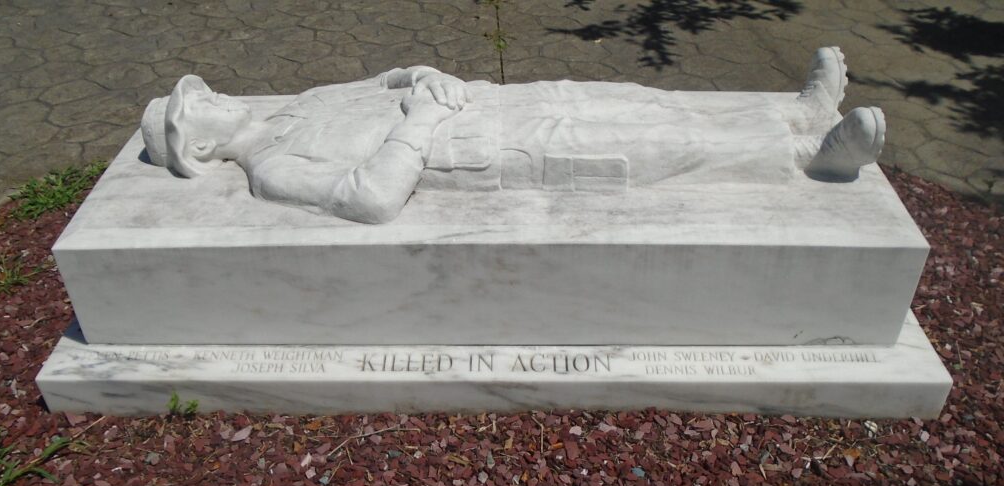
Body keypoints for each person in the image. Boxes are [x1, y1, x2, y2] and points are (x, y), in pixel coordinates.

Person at [141, 47, 885, 224]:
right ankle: (806, 156)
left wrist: (421, 74)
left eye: (201, 90)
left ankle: (797, 110)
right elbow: (368, 199)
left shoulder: (300, 106)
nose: (213, 95)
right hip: (501, 157)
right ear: (199, 148)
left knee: (645, 101)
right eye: (197, 108)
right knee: (661, 148)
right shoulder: (273, 167)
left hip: (511, 103)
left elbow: (386, 81)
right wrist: (427, 120)